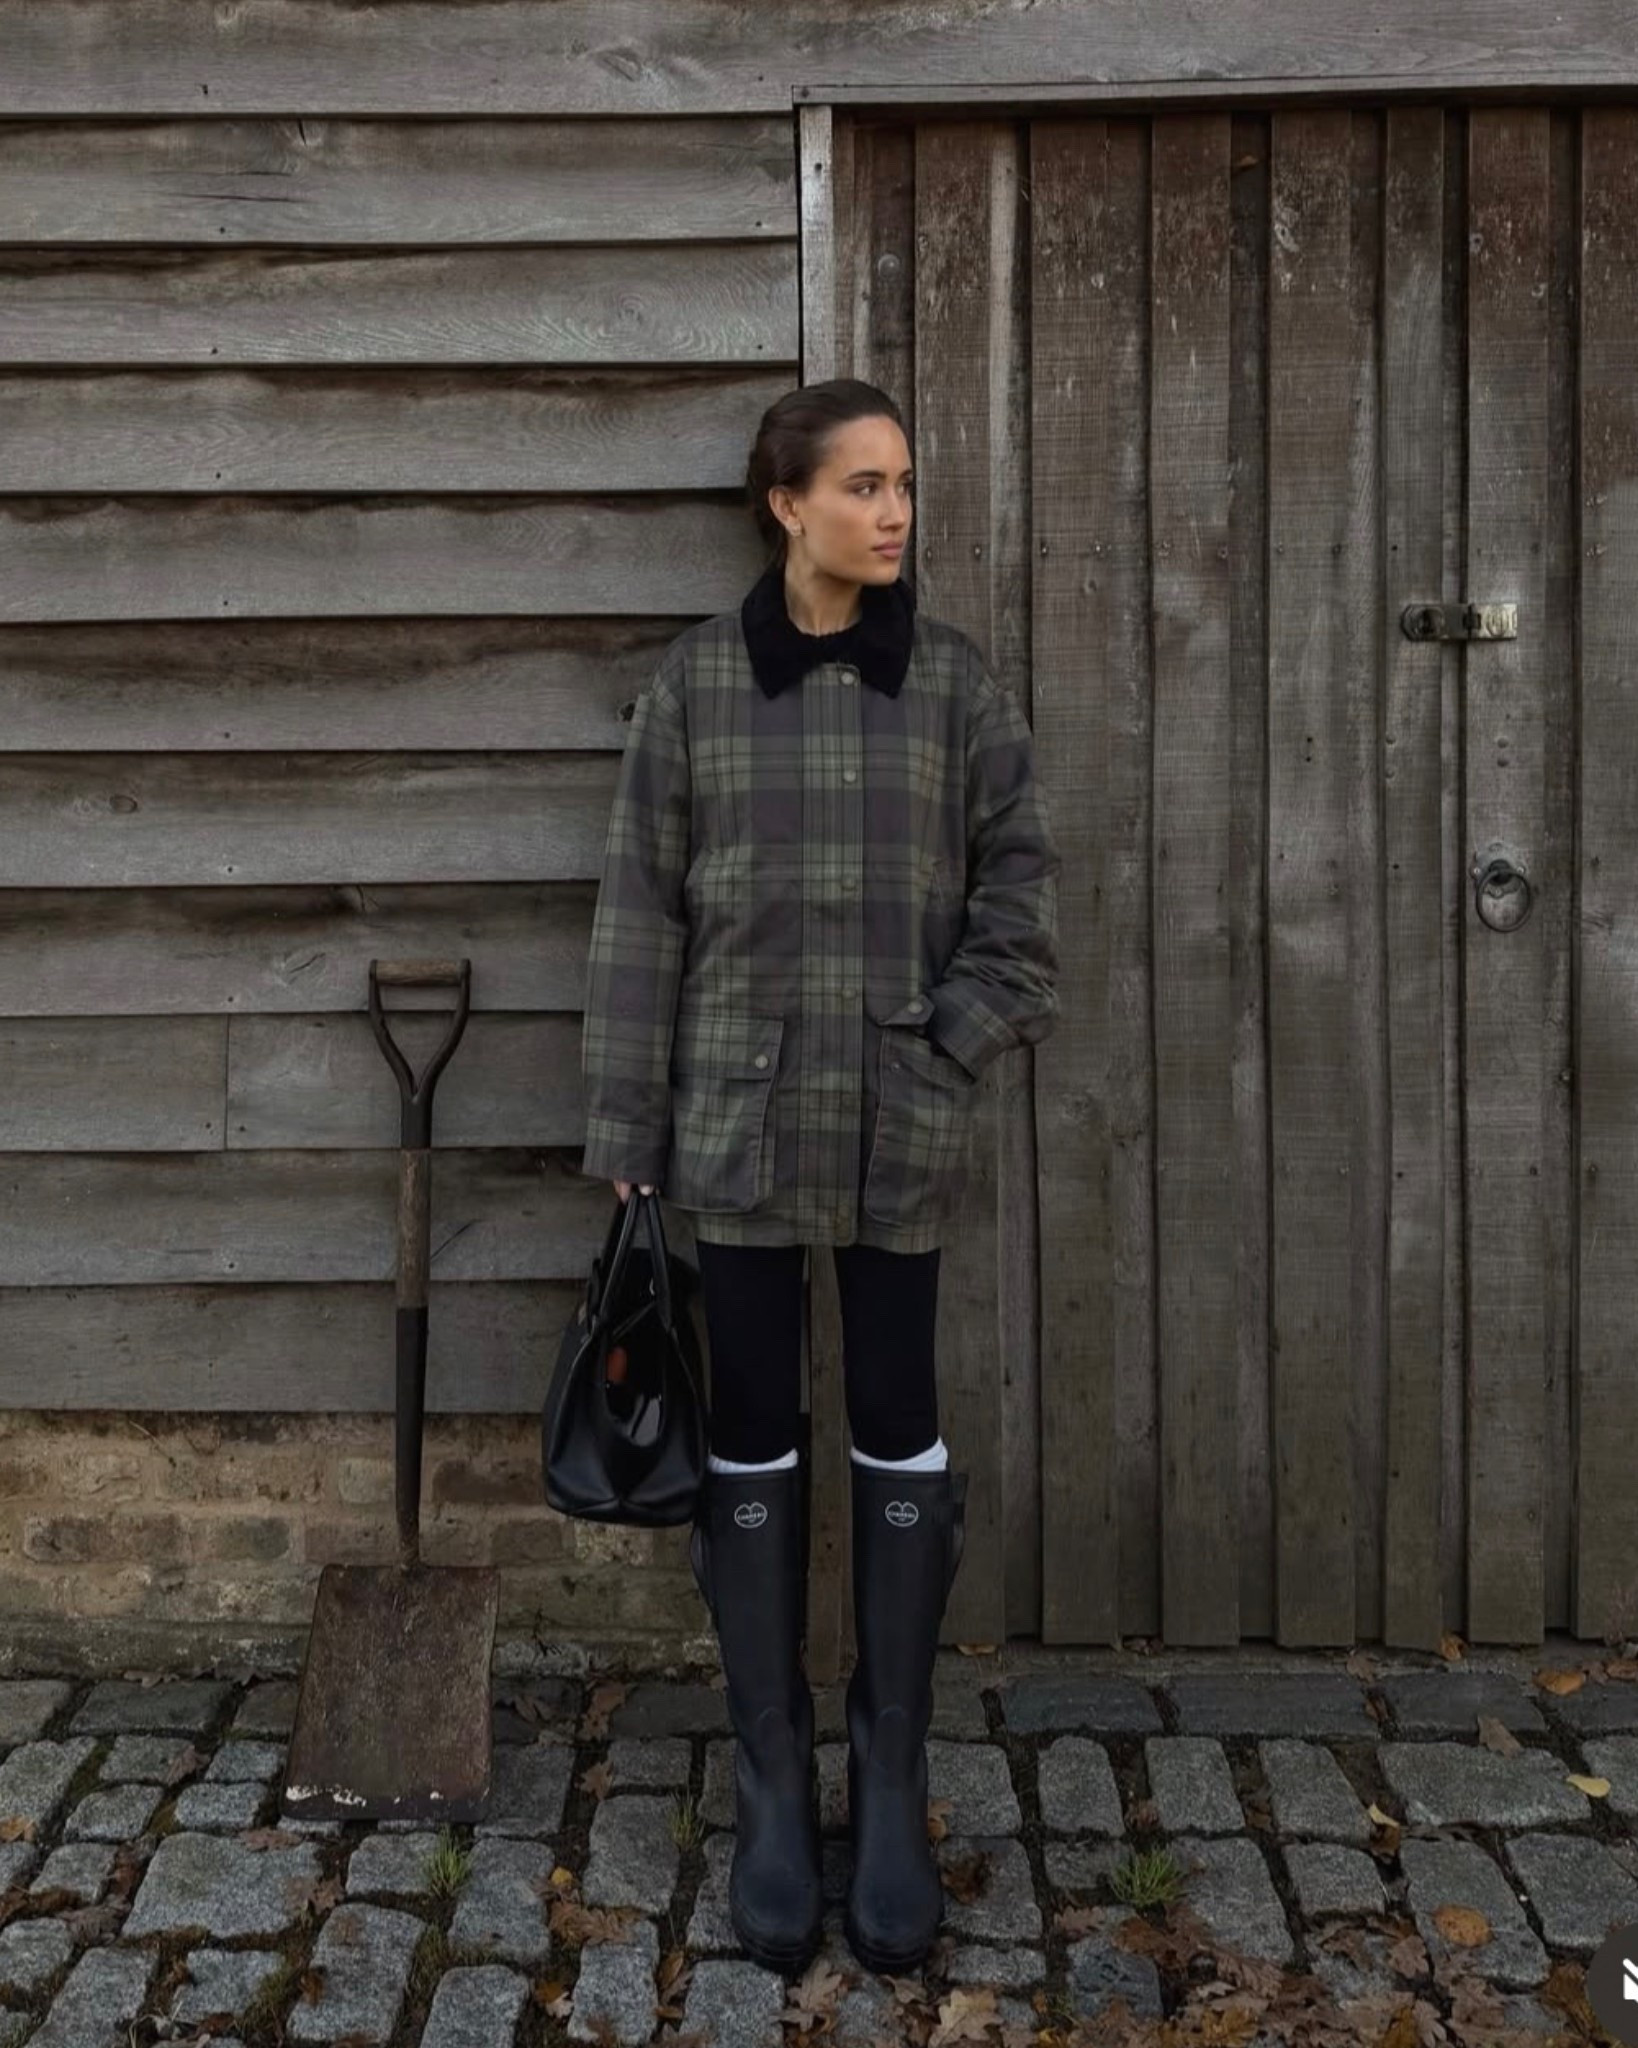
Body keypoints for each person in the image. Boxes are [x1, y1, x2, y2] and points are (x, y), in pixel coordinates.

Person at [578, 379, 1062, 1975]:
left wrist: (951, 1042)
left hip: (900, 1131)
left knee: (900, 1425)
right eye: (862, 485)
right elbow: (642, 920)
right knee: (753, 1430)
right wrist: (631, 1144)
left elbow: (1024, 902)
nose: (895, 510)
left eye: (905, 482)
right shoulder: (699, 689)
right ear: (784, 504)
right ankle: (775, 1783)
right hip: (731, 1135)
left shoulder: (956, 688)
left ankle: (896, 1772)